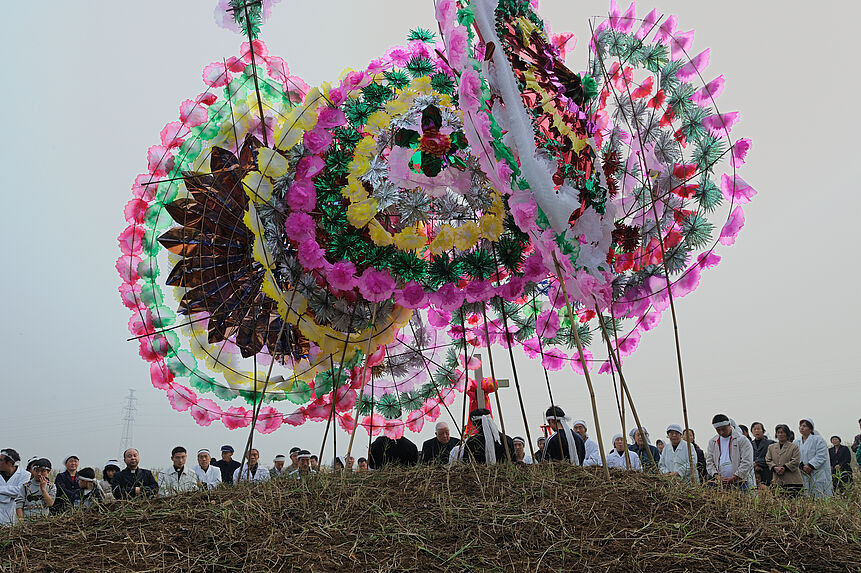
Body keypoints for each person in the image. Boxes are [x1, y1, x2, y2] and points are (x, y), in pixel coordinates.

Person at [706, 414, 754, 491]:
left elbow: (747, 461)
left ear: (729, 425)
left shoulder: (741, 440)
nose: (721, 432)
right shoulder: (713, 442)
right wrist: (716, 475)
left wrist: (736, 477)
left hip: (740, 483)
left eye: (723, 429)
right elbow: (709, 461)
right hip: (720, 484)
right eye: (718, 430)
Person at [795, 418, 832, 499]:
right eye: (800, 426)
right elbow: (795, 455)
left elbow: (821, 455)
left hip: (816, 471)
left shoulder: (818, 440)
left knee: (820, 494)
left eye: (804, 426)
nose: (801, 428)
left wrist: (810, 465)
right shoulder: (796, 441)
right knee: (806, 494)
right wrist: (801, 465)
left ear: (810, 428)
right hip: (803, 471)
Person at [766, 424, 803, 496]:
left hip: (792, 481)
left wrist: (784, 468)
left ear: (787, 434)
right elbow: (768, 460)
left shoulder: (794, 447)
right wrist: (775, 468)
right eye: (778, 432)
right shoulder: (771, 447)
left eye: (782, 432)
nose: (780, 434)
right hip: (777, 480)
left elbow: (795, 461)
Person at [0, 449, 29, 526]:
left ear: (10, 462)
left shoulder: (25, 475)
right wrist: (11, 493)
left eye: (1, 460)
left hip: (14, 514)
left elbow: (20, 491)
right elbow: (16, 491)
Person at [750, 422, 774, 487]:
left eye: (758, 429)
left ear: (763, 431)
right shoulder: (750, 444)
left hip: (767, 473)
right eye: (754, 429)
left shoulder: (770, 443)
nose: (756, 431)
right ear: (752, 432)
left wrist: (757, 463)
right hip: (754, 474)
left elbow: (771, 457)